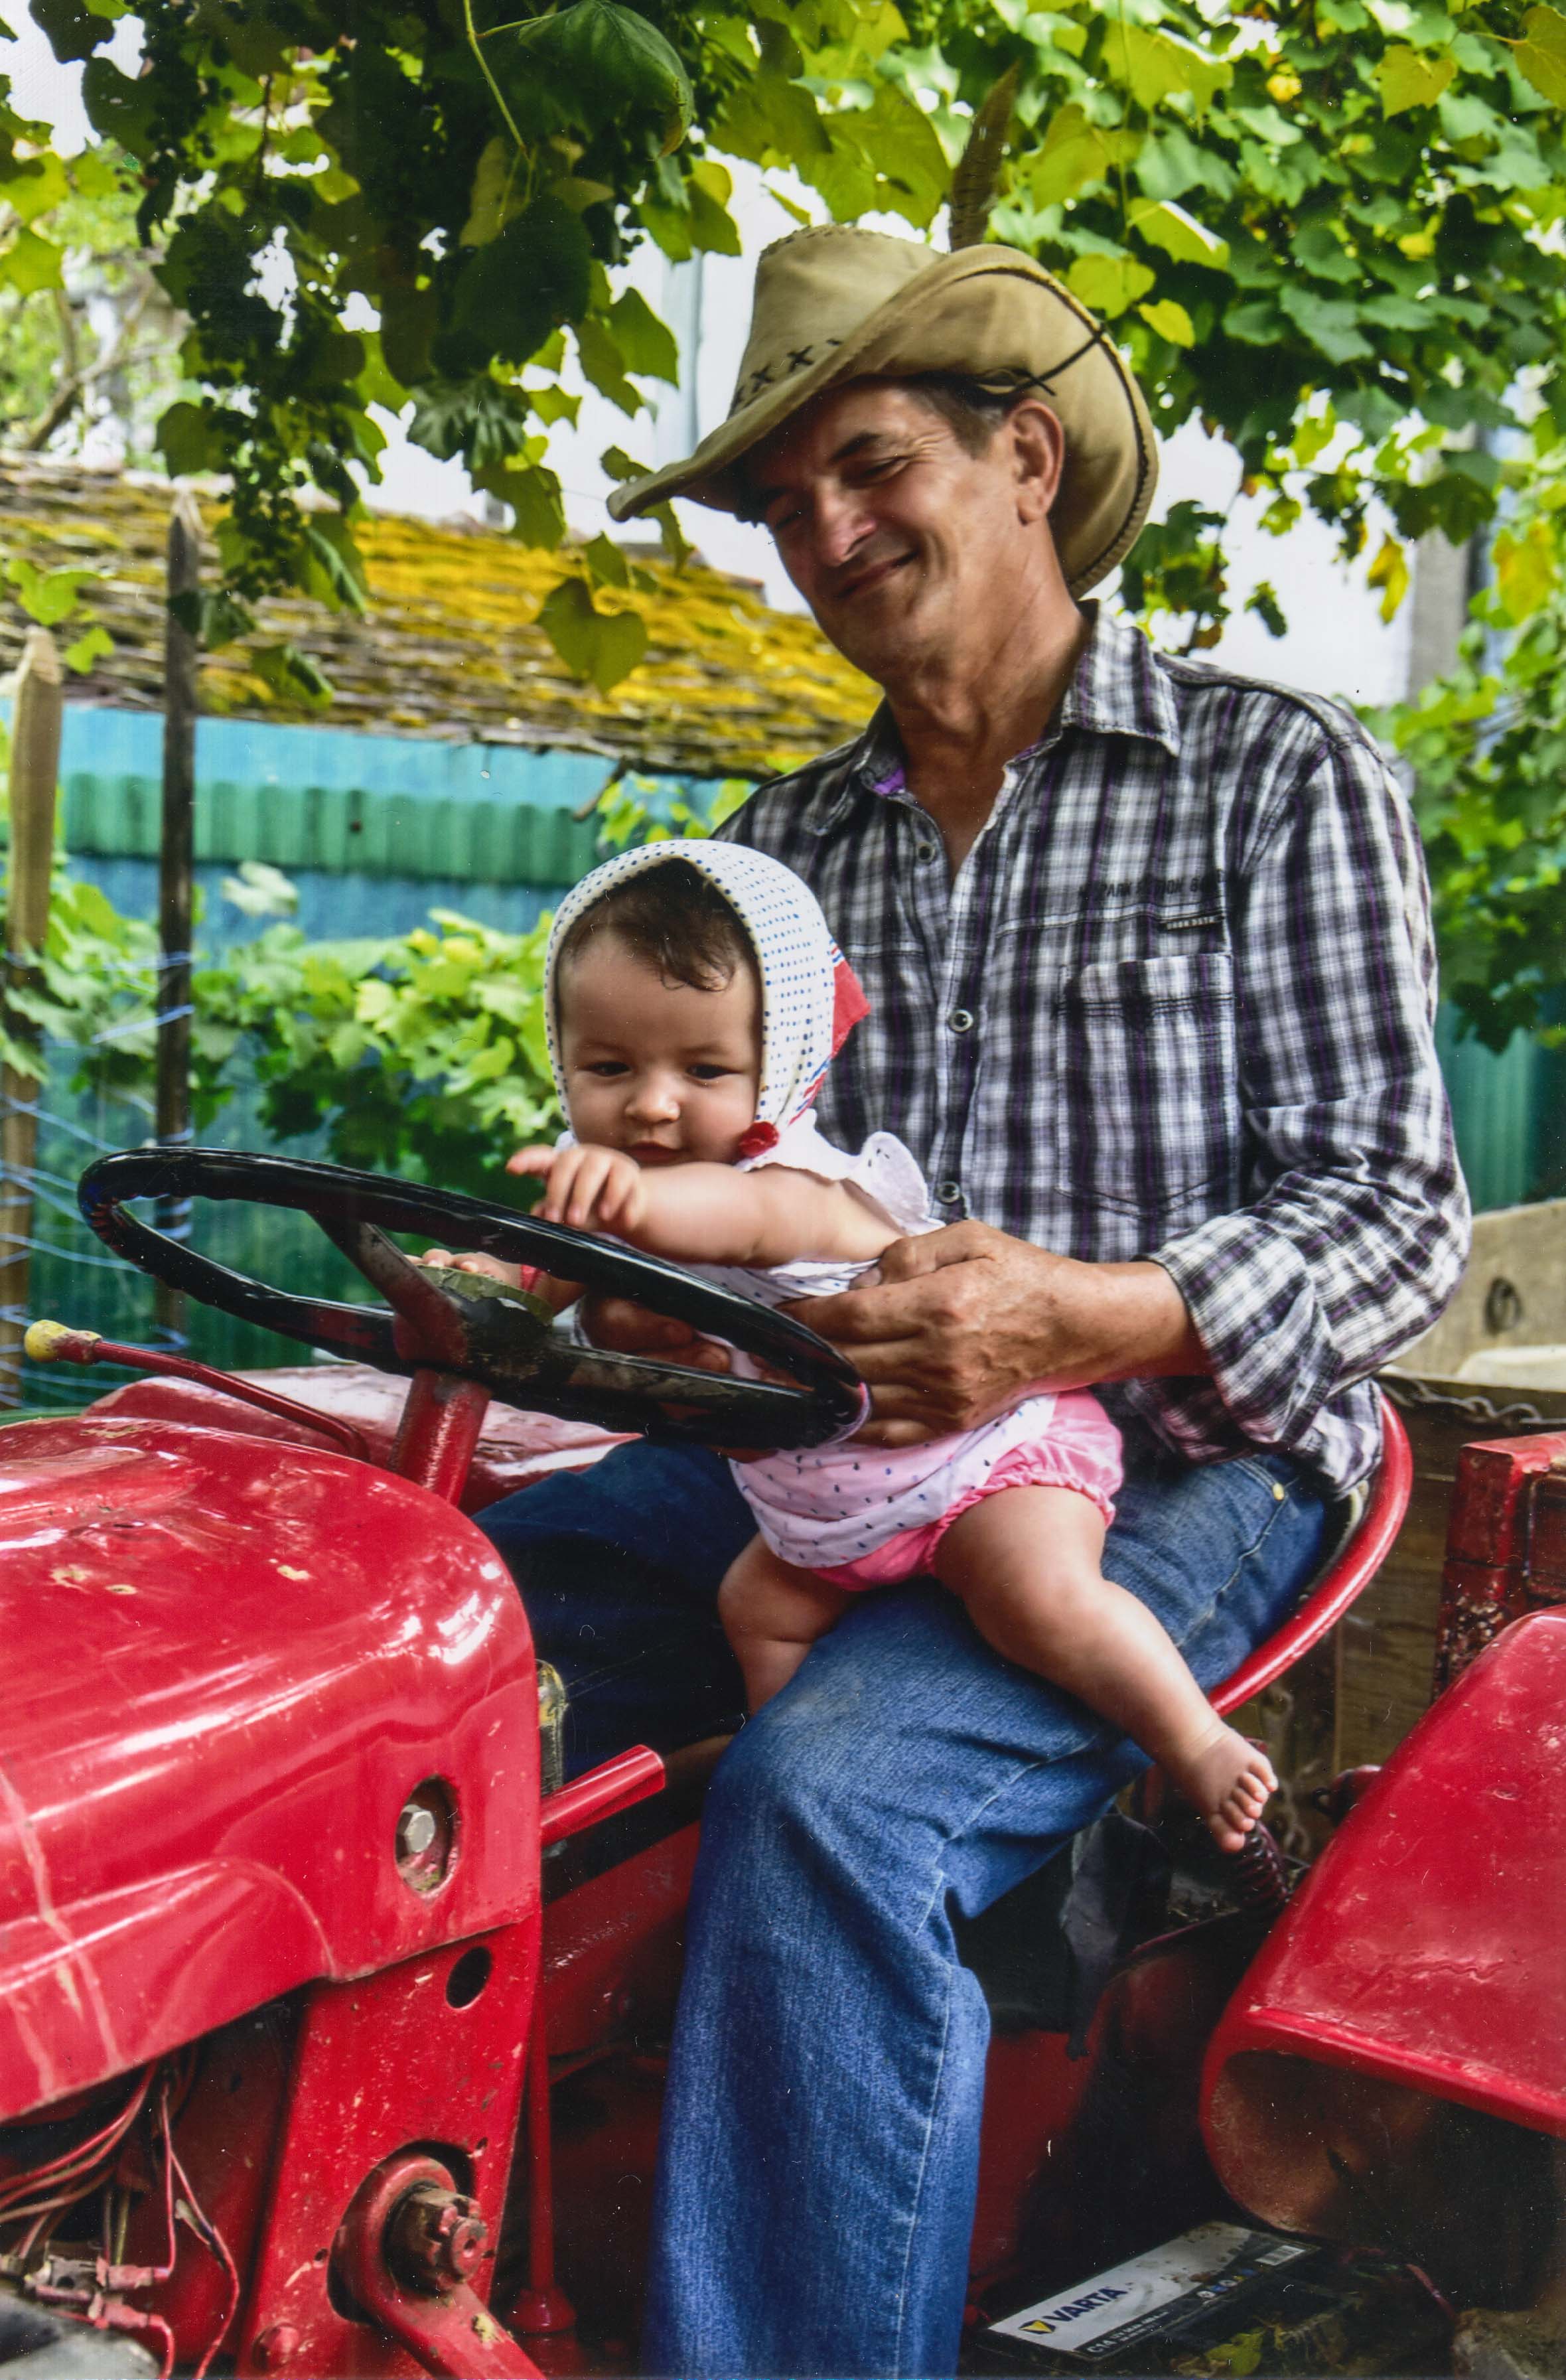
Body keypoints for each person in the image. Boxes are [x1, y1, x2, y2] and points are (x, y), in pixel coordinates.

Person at [478, 224, 1471, 2376]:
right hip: (817, 1454)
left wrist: (1081, 1316)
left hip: (1170, 1463)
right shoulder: (775, 860)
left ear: (1026, 456)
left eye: (872, 467)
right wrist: (625, 1301)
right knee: (430, 1622)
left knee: (833, 1797)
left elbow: (1398, 1216)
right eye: (785, 501)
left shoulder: (1275, 778)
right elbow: (727, 1195)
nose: (826, 533)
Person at [463, 838, 1278, 1848]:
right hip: (825, 1503)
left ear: (781, 1068)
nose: (653, 1103)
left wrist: (625, 1201)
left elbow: (728, 1221)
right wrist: (484, 1275)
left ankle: (1193, 1739)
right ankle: (758, 1744)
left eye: (705, 1070)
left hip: (977, 1463)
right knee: (756, 1608)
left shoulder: (794, 1188)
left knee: (1038, 1598)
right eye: (608, 1067)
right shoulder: (621, 1185)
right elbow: (548, 1267)